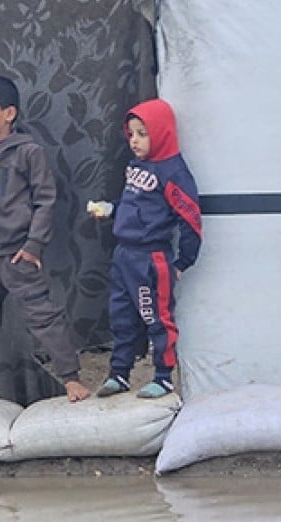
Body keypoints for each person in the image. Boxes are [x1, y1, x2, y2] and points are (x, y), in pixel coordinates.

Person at [0, 76, 90, 404]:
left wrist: (33, 246)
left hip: (17, 255)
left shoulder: (28, 152)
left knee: (43, 315)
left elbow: (45, 200)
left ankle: (70, 378)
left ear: (9, 113)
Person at [92, 98, 202, 399]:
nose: (135, 141)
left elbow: (190, 217)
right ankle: (119, 373)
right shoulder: (136, 166)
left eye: (143, 133)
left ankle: (164, 376)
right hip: (123, 255)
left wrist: (183, 261)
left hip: (151, 258)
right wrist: (111, 209)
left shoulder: (173, 171)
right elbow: (134, 207)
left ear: (162, 132)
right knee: (121, 316)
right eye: (132, 134)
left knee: (156, 317)